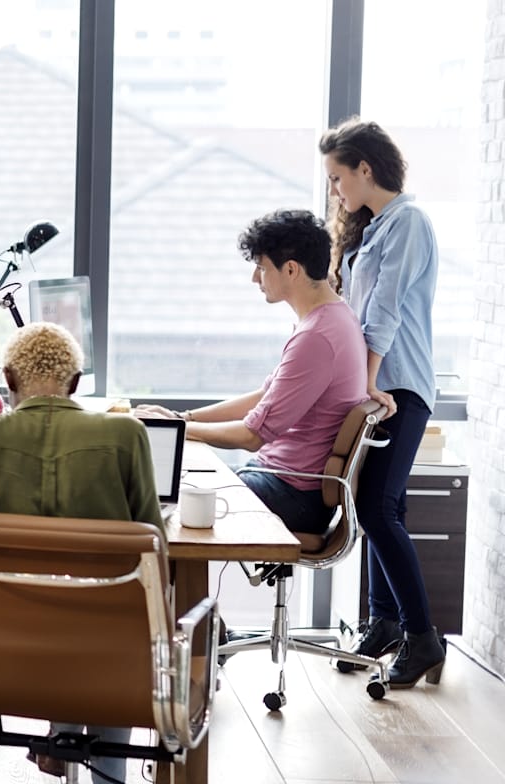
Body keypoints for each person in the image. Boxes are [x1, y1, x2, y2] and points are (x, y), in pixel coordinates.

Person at [0, 322, 160, 784]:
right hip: (110, 654)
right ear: (77, 383)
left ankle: (60, 737)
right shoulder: (127, 436)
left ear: (8, 380)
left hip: (2, 654)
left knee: (70, 623)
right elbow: (153, 547)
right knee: (111, 623)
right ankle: (104, 766)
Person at [136, 208, 369, 539]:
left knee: (160, 496)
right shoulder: (331, 319)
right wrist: (182, 418)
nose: (255, 279)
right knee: (172, 484)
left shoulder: (317, 336)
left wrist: (178, 428)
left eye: (261, 268)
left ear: (291, 269)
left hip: (292, 495)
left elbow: (252, 436)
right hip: (282, 482)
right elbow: (264, 399)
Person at [319, 117, 445, 688]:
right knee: (373, 507)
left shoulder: (409, 223)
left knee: (377, 509)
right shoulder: (372, 229)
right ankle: (384, 623)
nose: (336, 191)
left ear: (365, 169)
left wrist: (369, 386)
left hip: (400, 389)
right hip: (375, 390)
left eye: (338, 177)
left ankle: (422, 637)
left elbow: (385, 314)